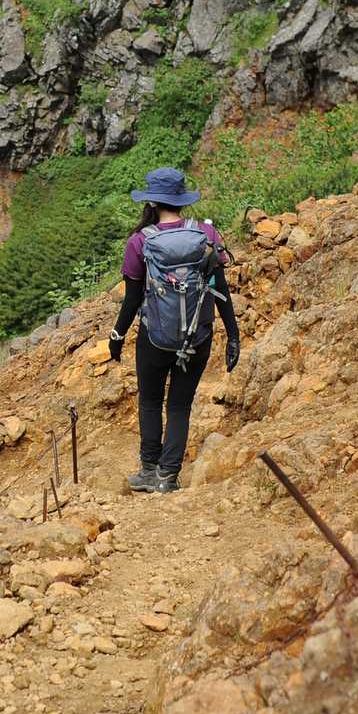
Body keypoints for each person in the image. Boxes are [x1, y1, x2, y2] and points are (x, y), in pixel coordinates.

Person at [108, 167, 240, 494]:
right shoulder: (207, 235)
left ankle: (148, 471)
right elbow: (220, 288)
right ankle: (168, 477)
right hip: (198, 335)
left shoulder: (140, 241)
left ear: (152, 202)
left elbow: (132, 299)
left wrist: (117, 336)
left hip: (154, 338)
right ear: (182, 200)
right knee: (180, 406)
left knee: (151, 402)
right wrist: (233, 335)